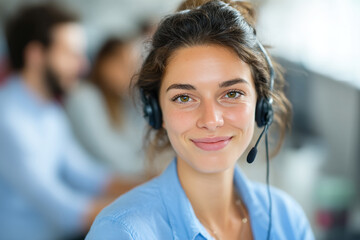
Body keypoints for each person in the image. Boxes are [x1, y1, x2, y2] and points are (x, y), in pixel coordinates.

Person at [86, 1, 315, 239]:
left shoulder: (287, 219)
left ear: (260, 103)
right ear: (157, 111)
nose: (211, 120)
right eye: (184, 97)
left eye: (232, 94)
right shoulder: (121, 231)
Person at [0, 3, 142, 240]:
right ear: (35, 55)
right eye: (70, 54)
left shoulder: (49, 111)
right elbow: (63, 209)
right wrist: (153, 197)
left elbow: (87, 174)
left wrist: (153, 183)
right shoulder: (8, 120)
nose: (83, 66)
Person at [65, 37, 148, 177]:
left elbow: (136, 141)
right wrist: (147, 169)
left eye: (134, 67)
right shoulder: (83, 97)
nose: (132, 74)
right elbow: (105, 151)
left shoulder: (117, 100)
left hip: (115, 179)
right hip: (95, 182)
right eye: (126, 66)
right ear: (105, 64)